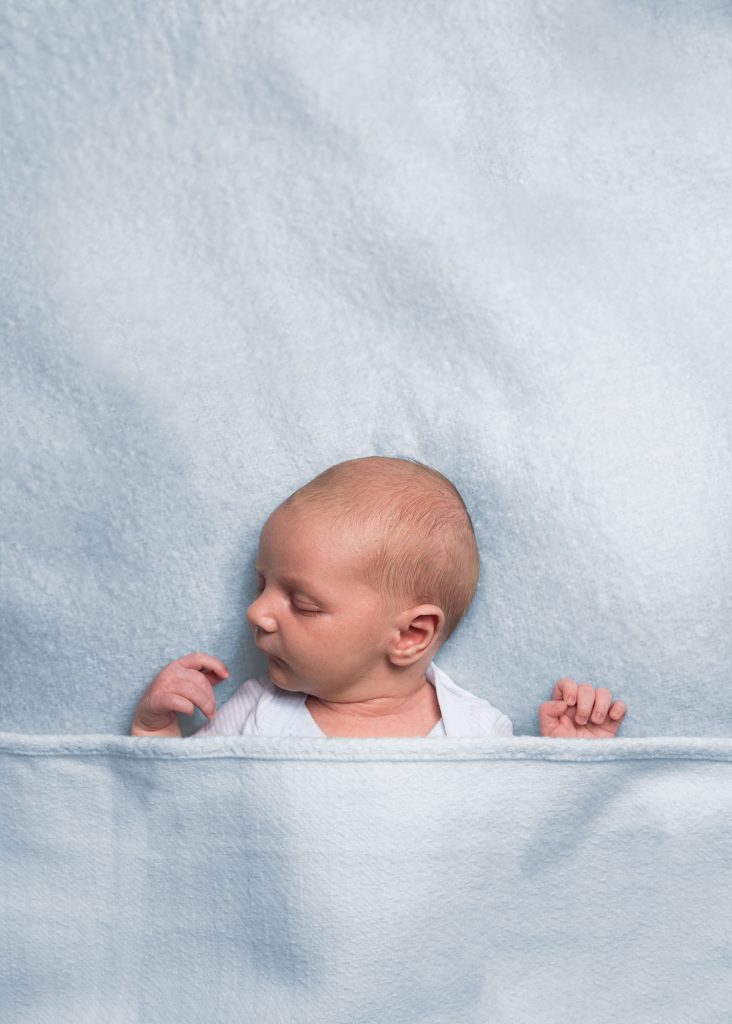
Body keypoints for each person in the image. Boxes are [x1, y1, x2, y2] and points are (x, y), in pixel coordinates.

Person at [130, 456, 627, 739]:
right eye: (262, 586)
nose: (256, 613)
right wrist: (155, 731)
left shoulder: (474, 731)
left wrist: (569, 767)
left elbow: (509, 851)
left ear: (411, 634)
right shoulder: (255, 714)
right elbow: (181, 814)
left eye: (302, 603)